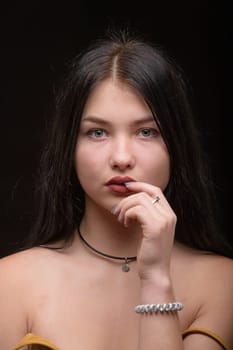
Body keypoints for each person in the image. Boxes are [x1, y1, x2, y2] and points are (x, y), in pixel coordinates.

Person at [0, 27, 233, 350]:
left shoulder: (223, 282)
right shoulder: (9, 282)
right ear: (69, 146)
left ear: (176, 145)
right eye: (97, 133)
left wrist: (155, 278)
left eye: (147, 132)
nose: (121, 158)